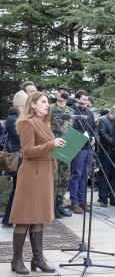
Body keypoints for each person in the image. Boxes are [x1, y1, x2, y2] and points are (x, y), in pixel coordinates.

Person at [9, 92, 66, 274]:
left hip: (44, 173)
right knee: (25, 218)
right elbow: (27, 151)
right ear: (33, 104)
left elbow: (48, 148)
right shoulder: (27, 122)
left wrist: (62, 147)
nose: (47, 105)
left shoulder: (43, 123)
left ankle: (37, 259)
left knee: (38, 216)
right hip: (31, 174)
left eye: (47, 102)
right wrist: (52, 145)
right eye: (43, 102)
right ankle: (16, 260)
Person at [1, 90, 27, 228]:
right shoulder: (13, 119)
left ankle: (10, 218)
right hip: (18, 159)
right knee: (17, 189)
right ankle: (8, 219)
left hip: (22, 158)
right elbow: (21, 137)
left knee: (18, 189)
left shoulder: (19, 117)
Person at [69, 90, 96, 214]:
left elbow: (94, 128)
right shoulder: (72, 111)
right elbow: (71, 128)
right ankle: (74, 202)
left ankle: (82, 201)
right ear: (77, 99)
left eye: (87, 99)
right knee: (77, 175)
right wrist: (83, 136)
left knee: (85, 176)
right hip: (78, 147)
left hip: (89, 148)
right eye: (83, 99)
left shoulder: (90, 113)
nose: (86, 102)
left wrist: (94, 138)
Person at [50, 85, 74, 219]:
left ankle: (59, 204)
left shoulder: (70, 110)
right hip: (53, 147)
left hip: (66, 148)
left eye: (64, 92)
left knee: (65, 177)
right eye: (59, 92)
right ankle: (52, 206)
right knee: (54, 176)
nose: (61, 94)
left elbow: (71, 129)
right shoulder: (51, 108)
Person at [98, 105, 115, 207]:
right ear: (111, 113)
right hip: (106, 151)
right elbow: (103, 134)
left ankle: (114, 199)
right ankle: (103, 198)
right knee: (105, 175)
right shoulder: (103, 120)